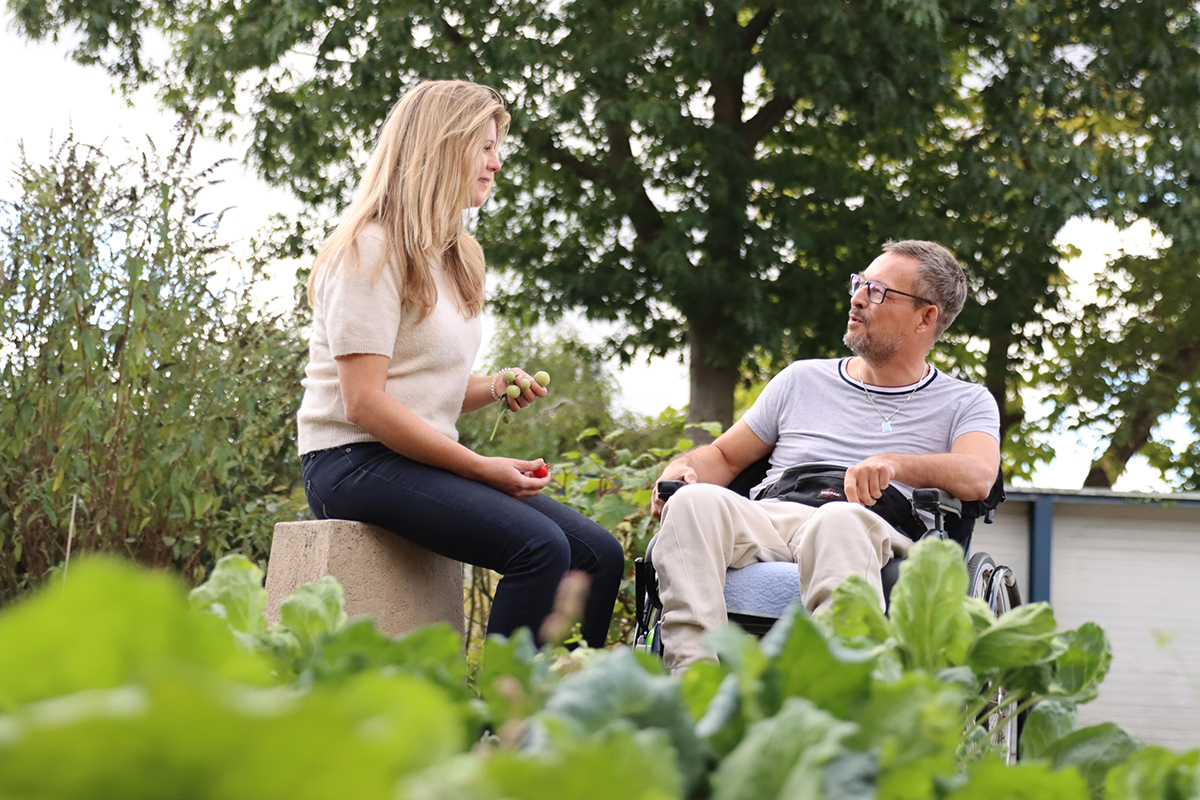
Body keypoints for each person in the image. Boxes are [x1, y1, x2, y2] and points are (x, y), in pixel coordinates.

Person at [297, 80, 624, 647]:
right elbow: (365, 401)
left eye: (498, 149)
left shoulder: (454, 255)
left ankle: (566, 721)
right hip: (348, 460)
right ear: (441, 147)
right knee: (539, 547)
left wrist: (494, 386)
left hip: (410, 458)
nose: (496, 163)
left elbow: (423, 385)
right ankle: (504, 729)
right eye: (485, 146)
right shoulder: (369, 248)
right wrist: (478, 465)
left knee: (597, 554)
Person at [649, 240, 1001, 673]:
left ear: (925, 317)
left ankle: (832, 698)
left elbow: (979, 475)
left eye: (878, 291)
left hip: (877, 525)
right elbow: (722, 456)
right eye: (860, 283)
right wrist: (682, 469)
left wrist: (895, 464)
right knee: (692, 502)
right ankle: (693, 683)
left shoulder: (966, 402)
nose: (856, 297)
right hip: (779, 512)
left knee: (840, 520)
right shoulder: (801, 379)